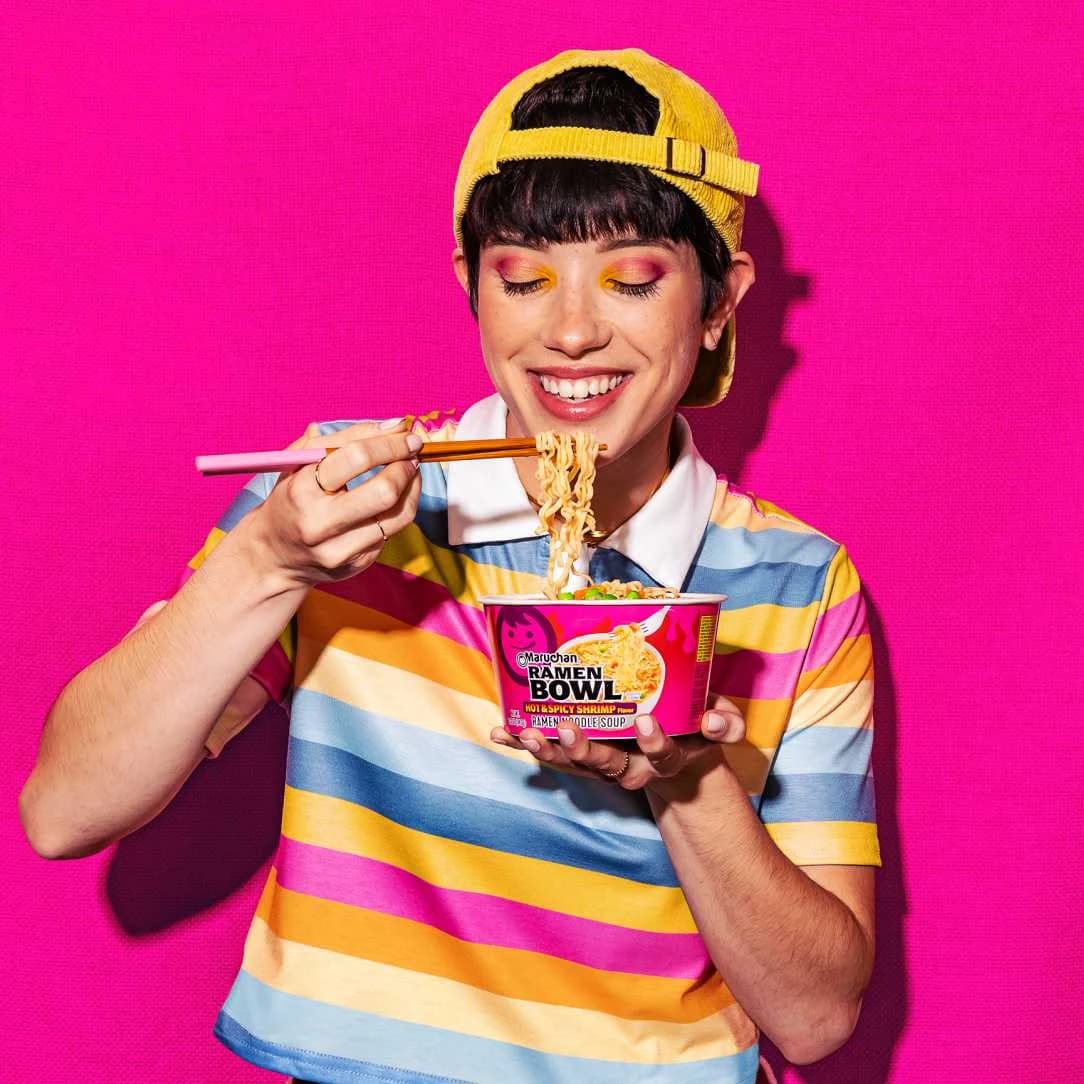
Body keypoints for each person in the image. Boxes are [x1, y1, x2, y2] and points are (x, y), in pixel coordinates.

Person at [20, 48, 880, 1084]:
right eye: (523, 277)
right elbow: (64, 810)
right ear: (472, 287)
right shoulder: (343, 507)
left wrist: (687, 780)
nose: (569, 331)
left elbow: (818, 1015)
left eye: (632, 279)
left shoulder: (794, 579)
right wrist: (265, 561)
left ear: (715, 305)